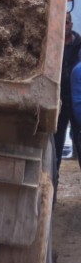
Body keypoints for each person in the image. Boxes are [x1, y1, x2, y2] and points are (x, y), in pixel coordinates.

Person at [55, 13, 81, 192]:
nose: (65, 25)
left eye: (67, 22)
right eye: (61, 23)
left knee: (79, 142)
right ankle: (53, 182)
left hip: (77, 102)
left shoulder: (79, 45)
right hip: (60, 102)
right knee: (56, 144)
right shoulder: (53, 47)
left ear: (71, 23)